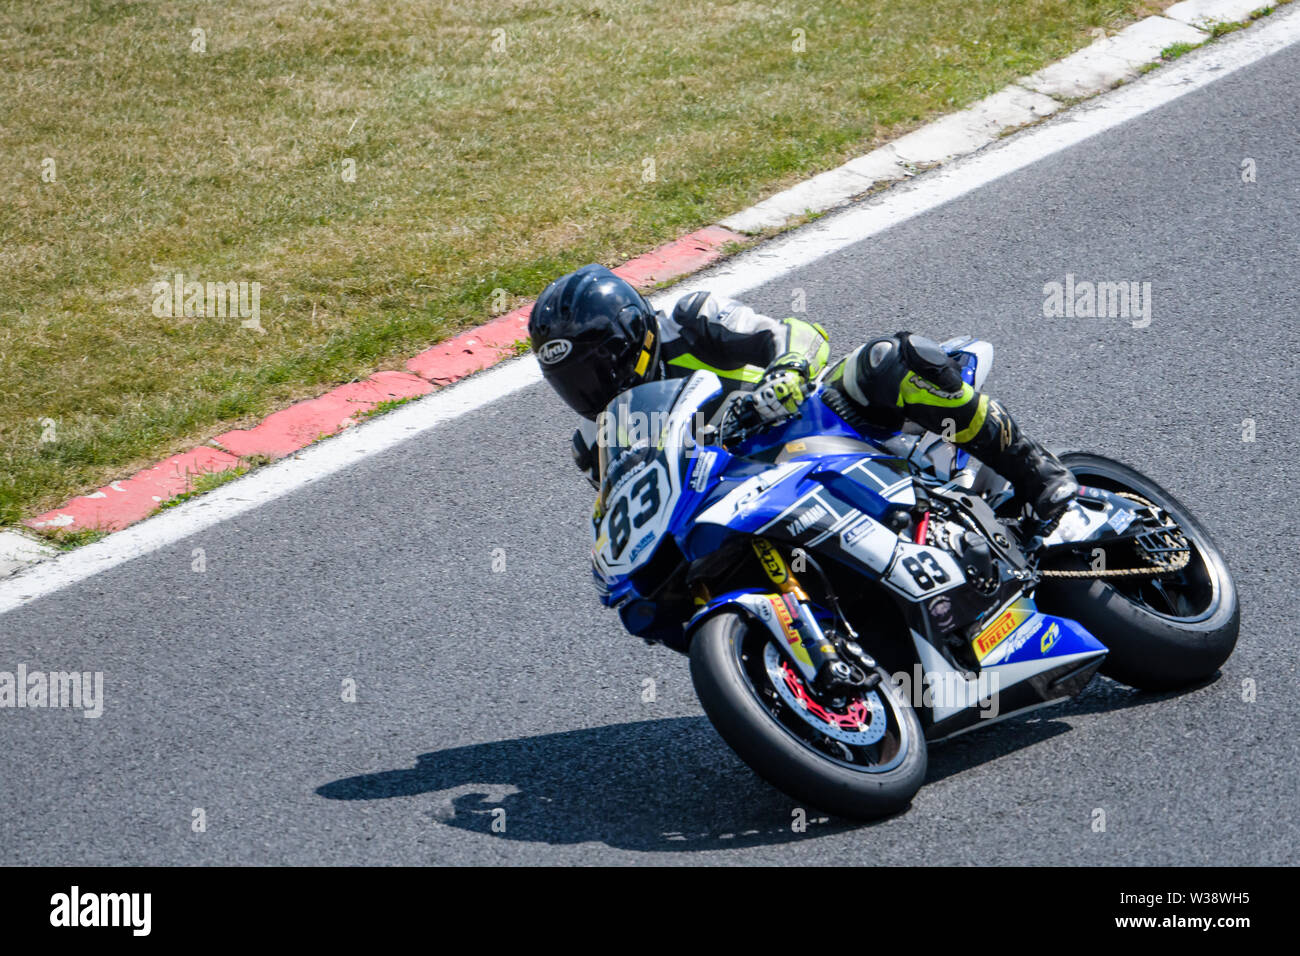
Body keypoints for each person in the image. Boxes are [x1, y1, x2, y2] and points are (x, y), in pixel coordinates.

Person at [528, 263, 1078, 524]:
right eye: (572, 379)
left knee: (886, 360)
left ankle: (1035, 470)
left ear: (632, 337)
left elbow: (796, 334)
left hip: (819, 426)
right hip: (743, 503)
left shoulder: (690, 320)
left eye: (597, 367)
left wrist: (785, 373)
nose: (590, 388)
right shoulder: (594, 441)